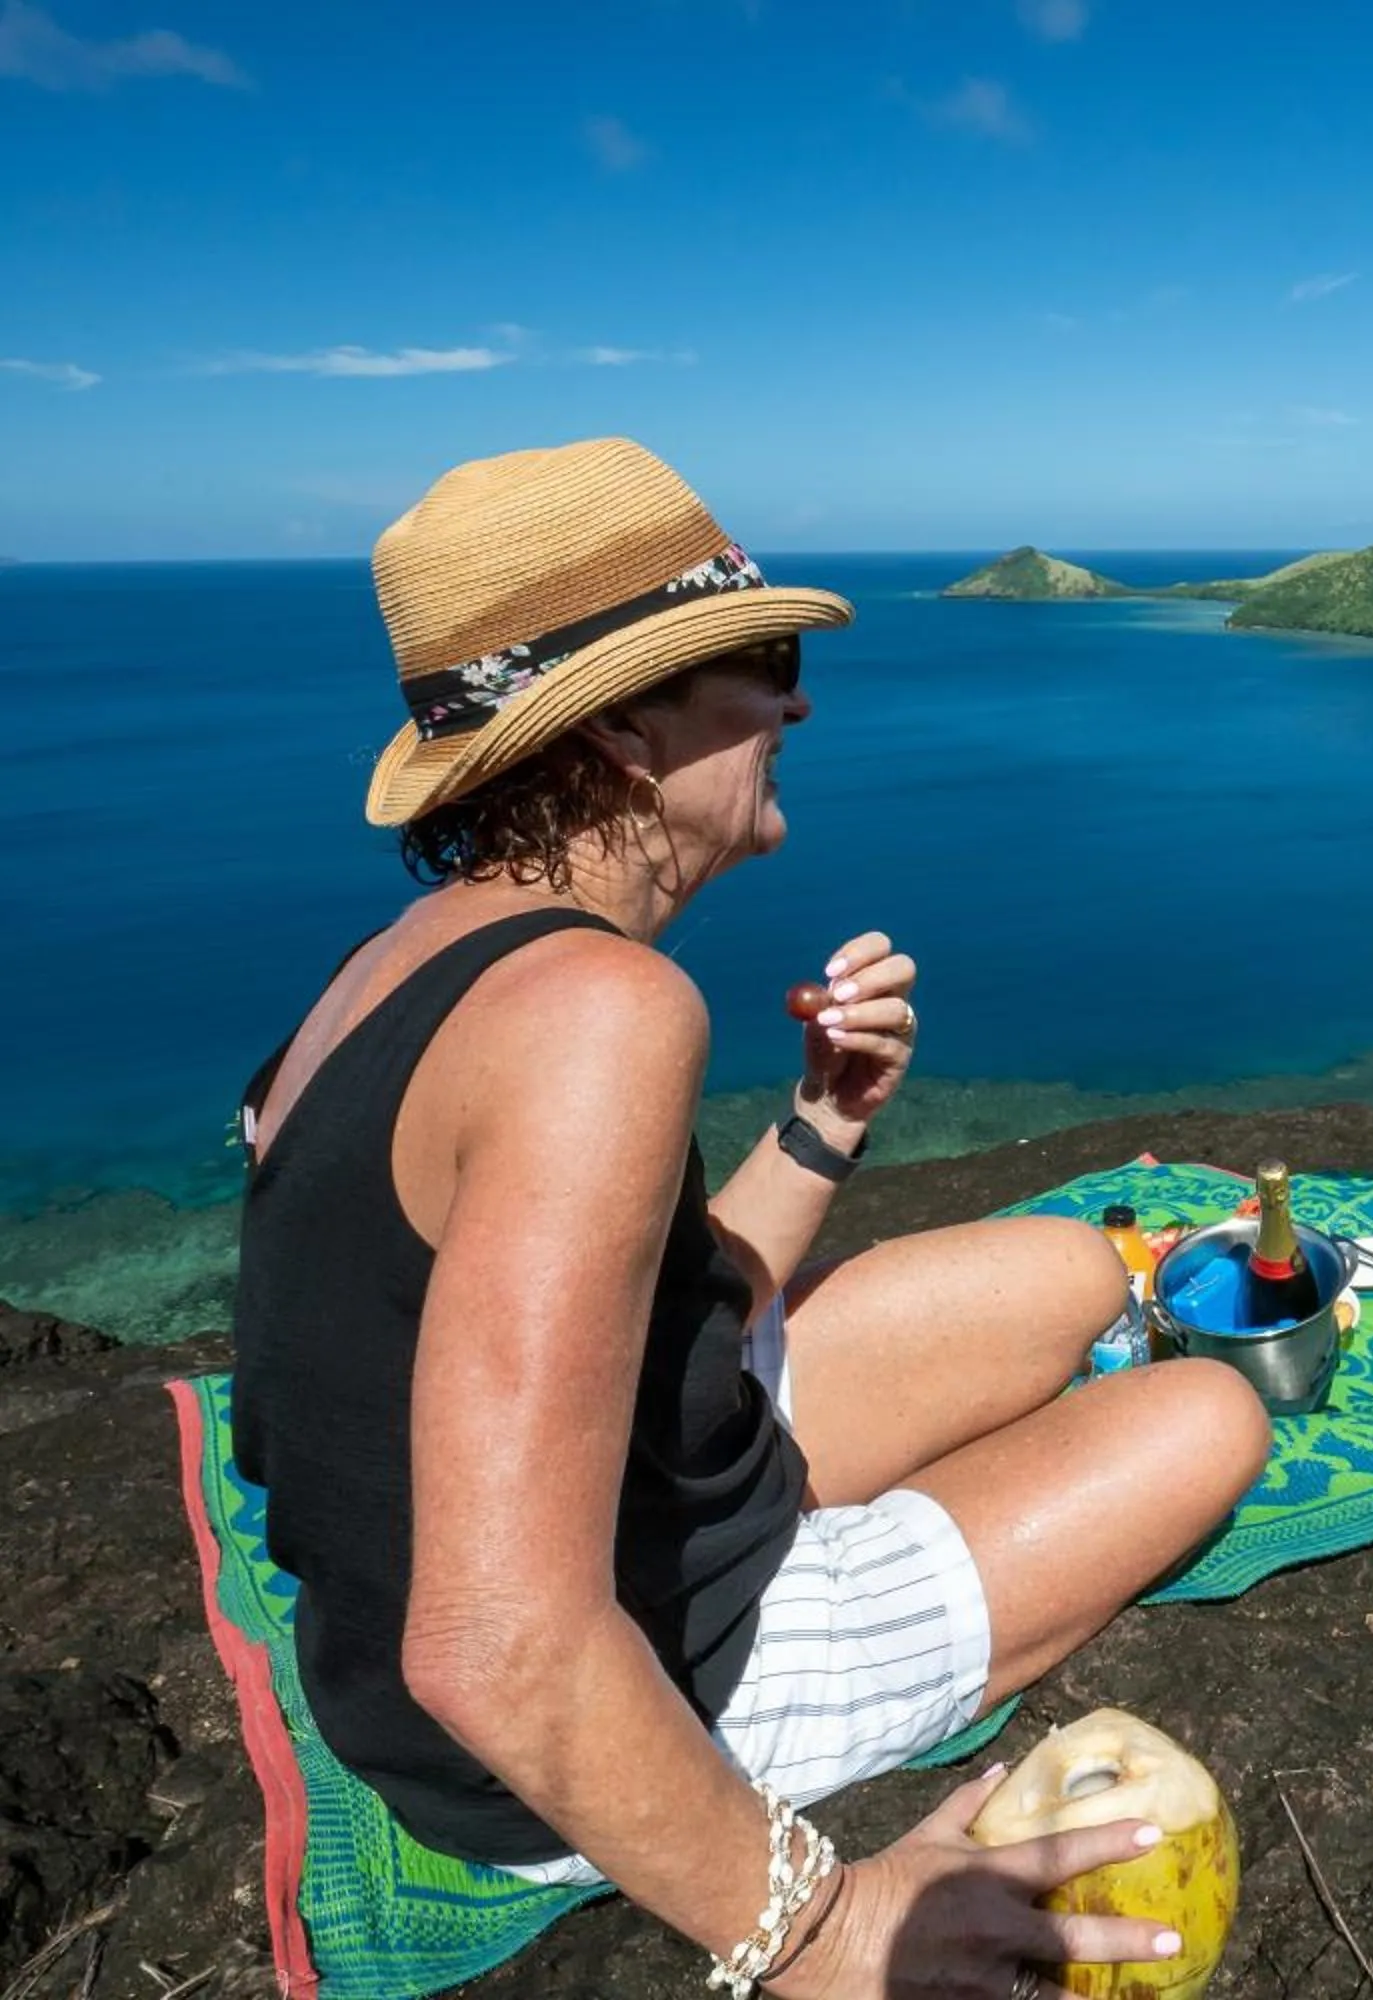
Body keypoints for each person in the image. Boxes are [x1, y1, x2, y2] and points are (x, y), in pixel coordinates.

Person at [230, 439, 1274, 1999]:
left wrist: (828, 1119)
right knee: (1201, 1417)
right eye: (760, 665)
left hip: (561, 1554)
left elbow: (652, 1305)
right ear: (625, 726)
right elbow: (498, 1647)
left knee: (1068, 1270)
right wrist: (824, 1925)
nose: (796, 705)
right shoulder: (602, 1011)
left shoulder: (405, 964)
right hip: (579, 1720)